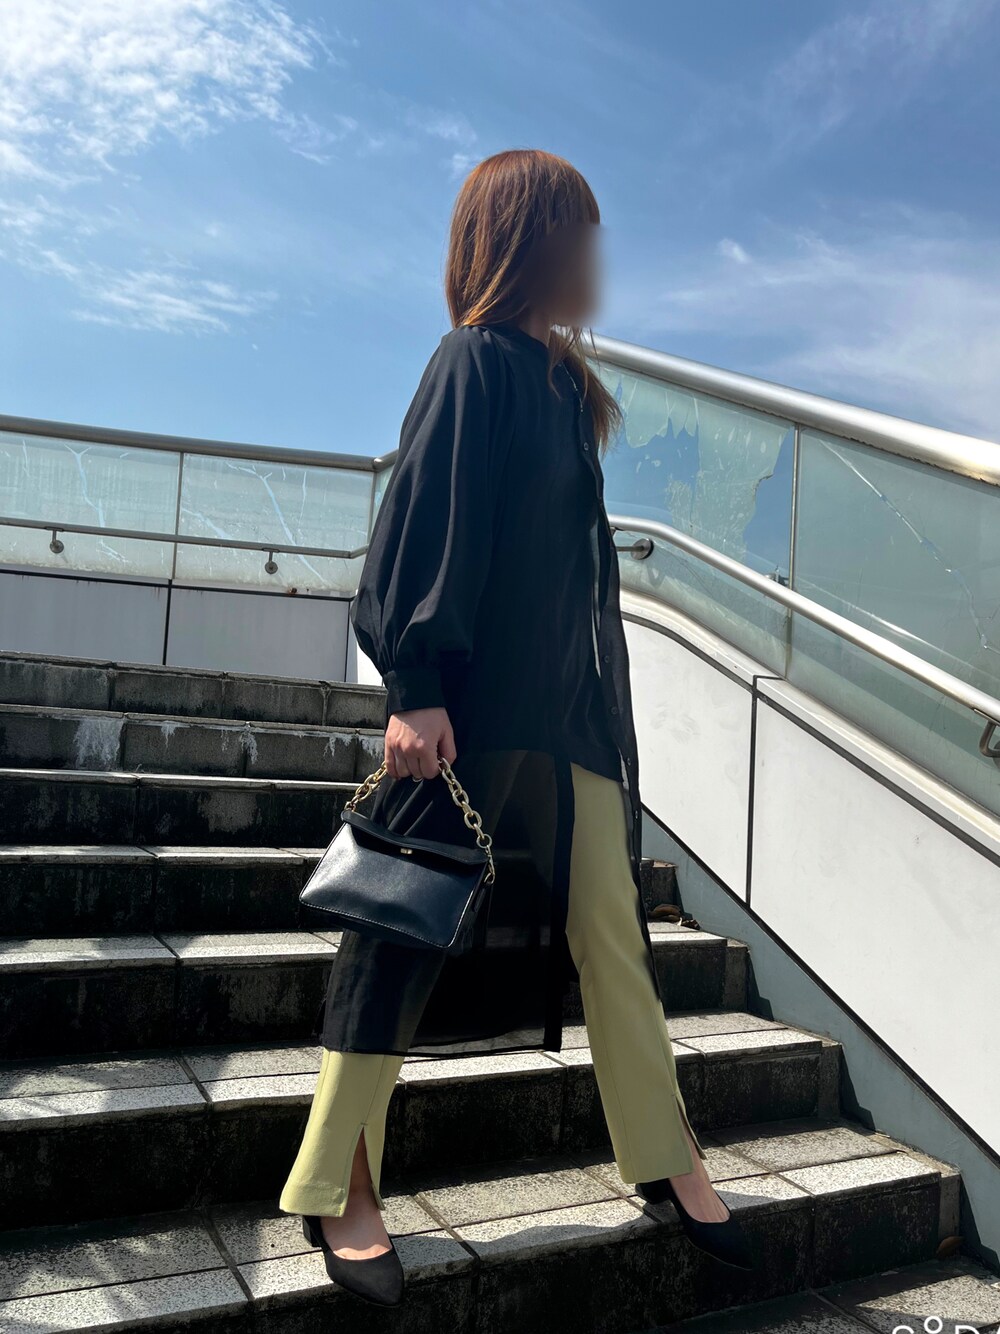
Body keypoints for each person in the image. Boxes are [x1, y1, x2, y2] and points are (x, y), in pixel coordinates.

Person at [278, 148, 756, 1306]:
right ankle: (336, 1178)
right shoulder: (474, 362)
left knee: (614, 930)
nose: (597, 258)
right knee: (400, 925)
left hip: (572, 716)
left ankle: (666, 1152)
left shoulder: (564, 391)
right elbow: (421, 522)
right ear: (532, 242)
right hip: (471, 707)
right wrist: (415, 683)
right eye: (579, 234)